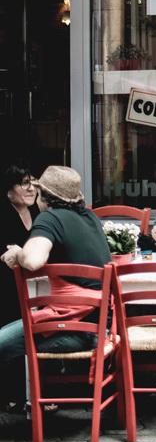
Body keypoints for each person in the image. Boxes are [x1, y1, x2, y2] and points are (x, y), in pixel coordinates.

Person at [0, 166, 112, 411]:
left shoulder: (49, 219)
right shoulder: (90, 218)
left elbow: (32, 260)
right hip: (101, 328)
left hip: (72, 331)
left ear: (45, 196)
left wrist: (18, 252)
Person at [0, 164, 39, 329]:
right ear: (8, 190)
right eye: (24, 183)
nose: (31, 189)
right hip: (7, 290)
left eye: (34, 182)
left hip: (32, 284)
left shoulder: (36, 212)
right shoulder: (4, 214)